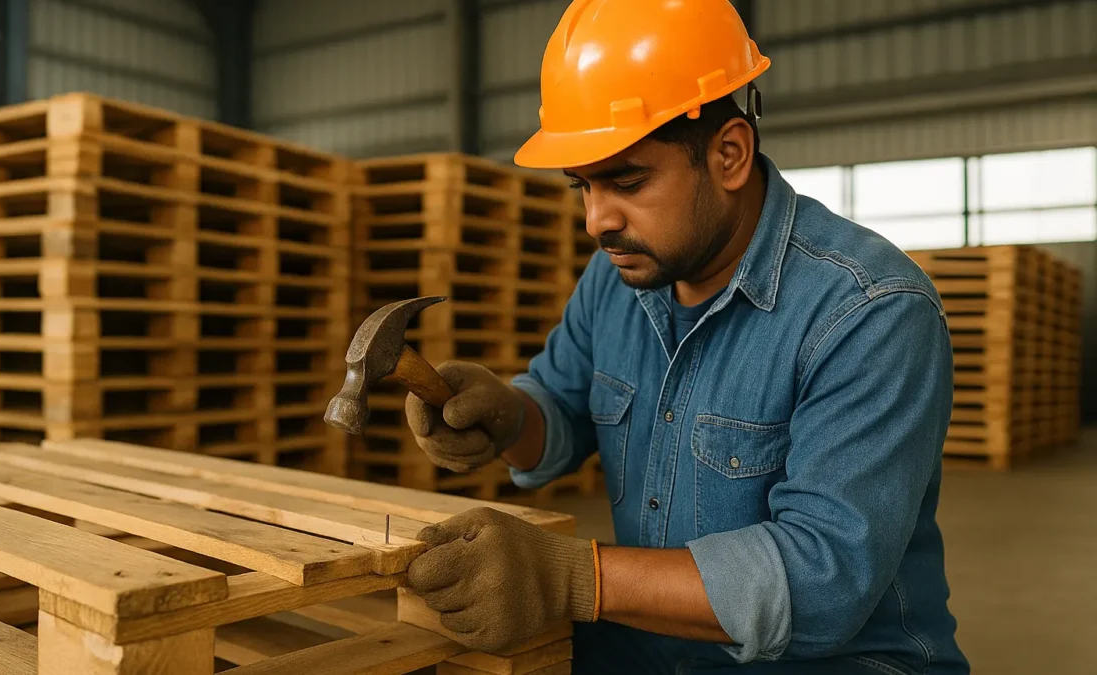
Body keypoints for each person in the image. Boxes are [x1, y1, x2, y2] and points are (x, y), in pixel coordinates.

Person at [401, 1, 970, 673]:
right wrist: (507, 417)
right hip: (658, 643)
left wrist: (576, 578)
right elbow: (559, 411)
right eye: (581, 186)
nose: (595, 220)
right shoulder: (617, 279)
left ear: (728, 153)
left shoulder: (869, 311)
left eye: (626, 180)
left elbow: (823, 582)